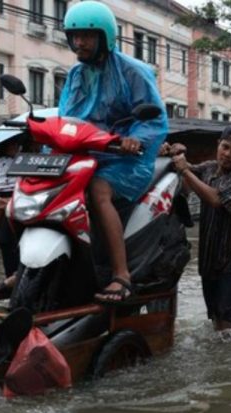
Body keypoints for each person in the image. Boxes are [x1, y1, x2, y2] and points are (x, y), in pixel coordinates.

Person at [58, 1, 168, 304]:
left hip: (126, 157)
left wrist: (135, 139)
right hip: (86, 152)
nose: (79, 42)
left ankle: (121, 274)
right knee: (45, 186)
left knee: (97, 189)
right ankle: (34, 266)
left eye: (88, 36)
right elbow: (64, 117)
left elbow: (156, 118)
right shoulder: (75, 75)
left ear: (105, 36)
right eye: (75, 36)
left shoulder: (132, 71)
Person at [164, 125, 231, 338]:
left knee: (225, 320)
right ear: (218, 145)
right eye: (225, 147)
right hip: (210, 257)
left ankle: (228, 365)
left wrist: (185, 170)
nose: (228, 154)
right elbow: (186, 171)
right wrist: (174, 153)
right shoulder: (209, 168)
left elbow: (215, 199)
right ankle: (219, 358)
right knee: (215, 318)